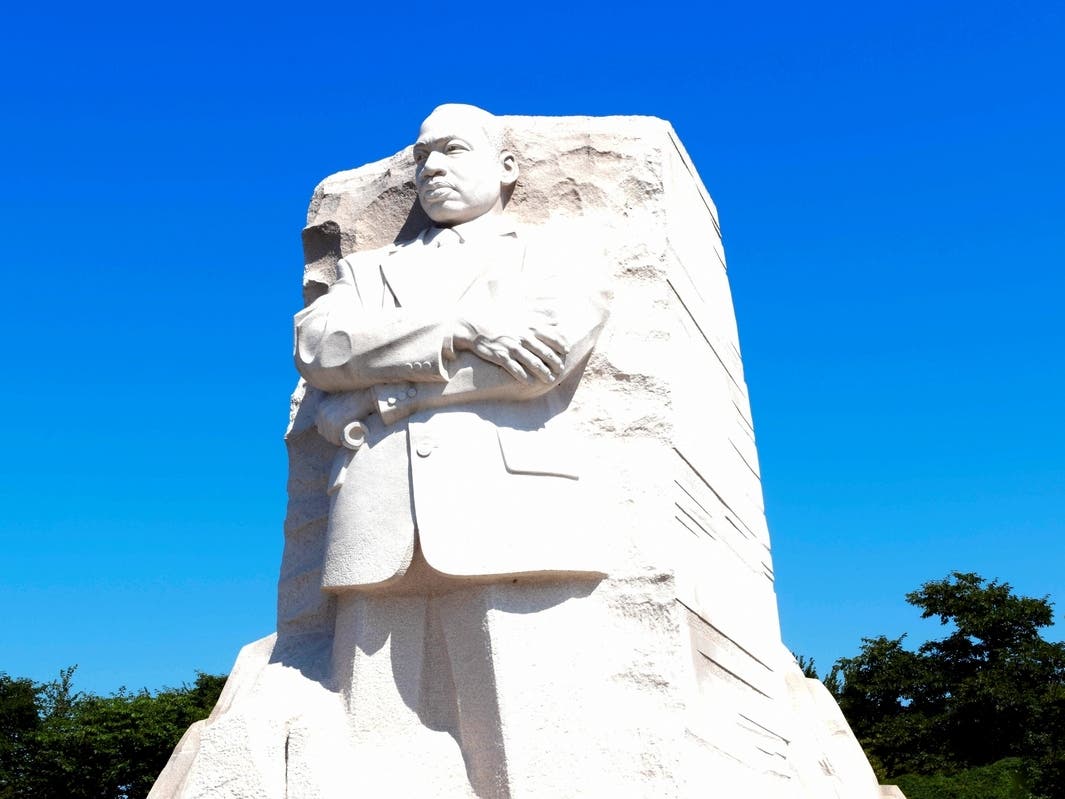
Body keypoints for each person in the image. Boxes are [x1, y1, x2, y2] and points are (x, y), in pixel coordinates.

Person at [292, 104, 610, 795]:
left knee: (530, 746)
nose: (431, 167)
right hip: (376, 520)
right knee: (371, 748)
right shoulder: (367, 273)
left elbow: (537, 364)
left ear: (506, 168)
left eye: (453, 150)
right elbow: (320, 349)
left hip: (510, 510)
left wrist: (387, 397)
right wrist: (457, 324)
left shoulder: (551, 254)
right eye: (421, 156)